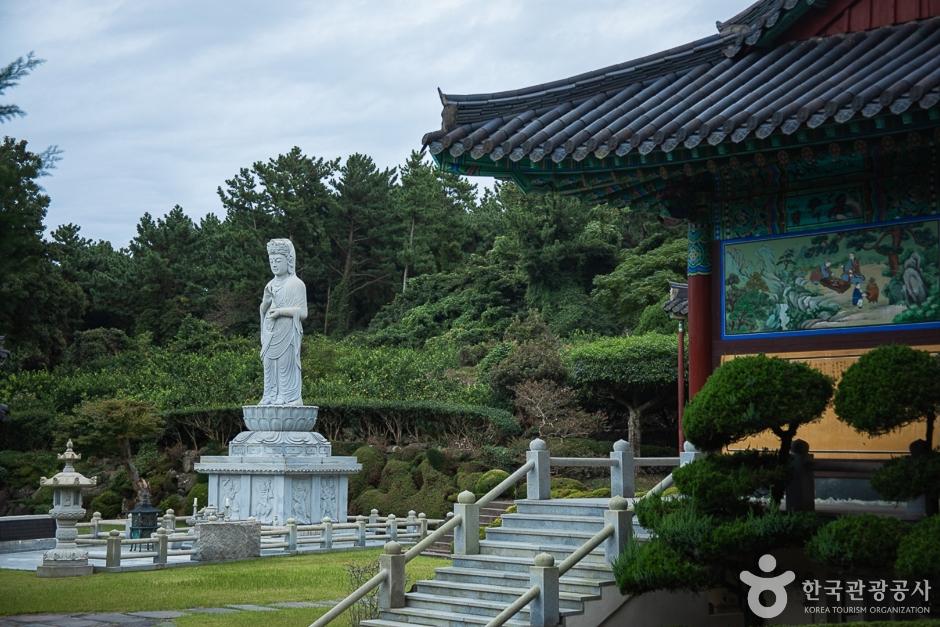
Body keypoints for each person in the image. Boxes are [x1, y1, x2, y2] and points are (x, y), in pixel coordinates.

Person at [259, 239, 308, 405]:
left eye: (278, 260)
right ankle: (269, 395)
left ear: (289, 261)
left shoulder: (296, 284)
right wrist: (265, 304)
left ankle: (286, 396)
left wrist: (281, 312)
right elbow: (264, 308)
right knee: (268, 364)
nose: (274, 264)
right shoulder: (270, 284)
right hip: (270, 331)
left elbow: (303, 313)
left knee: (284, 365)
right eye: (271, 261)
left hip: (287, 332)